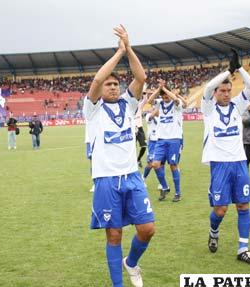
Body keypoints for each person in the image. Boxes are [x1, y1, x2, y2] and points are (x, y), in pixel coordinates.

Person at [84, 25, 154, 287]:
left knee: (147, 229)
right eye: (109, 84)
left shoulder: (129, 103)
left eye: (116, 84)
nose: (113, 87)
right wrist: (117, 53)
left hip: (132, 176)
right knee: (113, 235)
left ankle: (132, 263)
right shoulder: (92, 109)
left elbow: (141, 77)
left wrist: (129, 49)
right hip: (105, 179)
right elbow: (96, 81)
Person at [201, 49, 250, 264]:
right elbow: (207, 87)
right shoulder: (208, 108)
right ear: (216, 93)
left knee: (243, 205)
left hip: (239, 163)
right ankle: (214, 231)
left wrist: (240, 68)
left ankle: (243, 248)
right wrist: (228, 70)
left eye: (228, 90)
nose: (225, 93)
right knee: (221, 209)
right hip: (219, 165)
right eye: (222, 90)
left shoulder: (238, 106)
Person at [149, 80, 183, 202]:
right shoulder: (159, 103)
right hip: (161, 140)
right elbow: (149, 101)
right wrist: (159, 89)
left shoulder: (176, 105)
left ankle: (178, 192)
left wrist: (167, 89)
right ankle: (165, 187)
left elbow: (177, 100)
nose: (165, 97)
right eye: (163, 96)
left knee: (173, 165)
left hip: (174, 139)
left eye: (167, 95)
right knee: (155, 164)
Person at [142, 107, 169, 191]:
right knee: (150, 163)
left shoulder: (163, 116)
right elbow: (149, 118)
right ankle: (143, 179)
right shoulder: (149, 115)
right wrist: (156, 109)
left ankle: (161, 183)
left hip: (162, 141)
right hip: (153, 142)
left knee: (161, 163)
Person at [134, 91, 148, 167]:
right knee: (132, 147)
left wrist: (144, 92)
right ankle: (132, 162)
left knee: (144, 146)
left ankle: (138, 159)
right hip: (131, 129)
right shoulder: (127, 107)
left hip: (139, 128)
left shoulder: (139, 105)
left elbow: (145, 100)